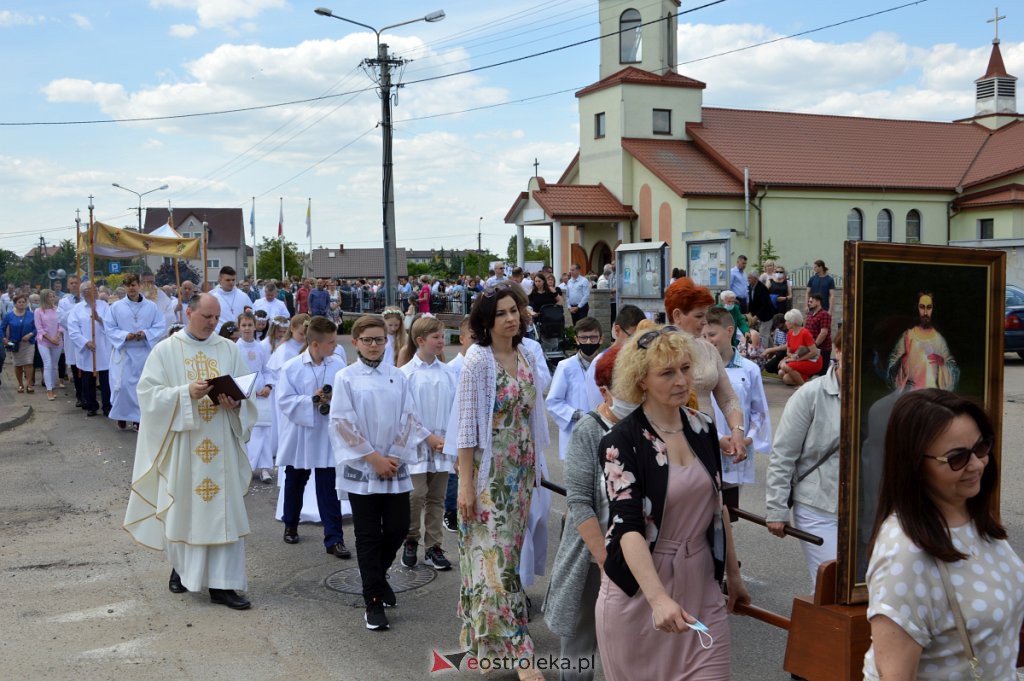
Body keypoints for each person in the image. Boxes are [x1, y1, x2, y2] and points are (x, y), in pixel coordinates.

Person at [595, 326, 749, 680]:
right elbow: (627, 527)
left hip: (701, 586)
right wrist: (658, 599)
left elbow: (716, 505)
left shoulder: (703, 426)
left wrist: (733, 575)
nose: (681, 380)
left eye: (685, 368)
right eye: (667, 372)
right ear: (641, 380)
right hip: (640, 592)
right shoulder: (621, 441)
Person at [862, 389, 1024, 680]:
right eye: (956, 458)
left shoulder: (972, 515)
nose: (976, 464)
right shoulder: (905, 554)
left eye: (982, 447)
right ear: (915, 465)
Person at [123, 293, 258, 610]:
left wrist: (237, 403)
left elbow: (246, 392)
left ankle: (223, 585)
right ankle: (182, 570)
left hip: (221, 443)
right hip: (185, 445)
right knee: (186, 509)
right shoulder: (165, 351)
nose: (213, 323)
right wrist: (186, 393)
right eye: (206, 317)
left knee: (223, 513)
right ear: (188, 312)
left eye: (216, 318)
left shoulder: (228, 349)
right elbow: (148, 396)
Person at [453, 282, 550, 679]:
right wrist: (465, 485)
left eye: (515, 310)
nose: (512, 318)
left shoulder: (526, 353)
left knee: (502, 559)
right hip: (489, 476)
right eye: (502, 314)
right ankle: (520, 653)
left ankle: (486, 645)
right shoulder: (478, 360)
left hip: (521, 472)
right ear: (486, 322)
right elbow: (466, 428)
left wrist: (539, 469)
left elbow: (533, 416)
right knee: (495, 562)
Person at [329, 315, 436, 631]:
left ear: (387, 342)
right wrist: (373, 458)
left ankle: (376, 575)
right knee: (367, 535)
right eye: (367, 340)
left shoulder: (397, 376)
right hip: (363, 467)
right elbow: (341, 422)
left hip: (394, 464)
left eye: (379, 339)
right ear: (356, 341)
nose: (374, 345)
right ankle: (373, 599)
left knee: (398, 528)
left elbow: (409, 418)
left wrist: (393, 456)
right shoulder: (346, 377)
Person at [544, 345, 628, 681]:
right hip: (595, 554)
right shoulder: (591, 428)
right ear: (606, 390)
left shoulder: (654, 426)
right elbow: (579, 501)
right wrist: (605, 558)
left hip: (642, 554)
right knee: (580, 639)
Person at [765, 335, 842, 585]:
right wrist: (776, 509)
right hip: (818, 506)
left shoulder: (873, 396)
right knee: (832, 585)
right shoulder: (811, 394)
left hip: (866, 511)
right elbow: (783, 454)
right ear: (838, 352)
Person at [277, 316, 350, 558]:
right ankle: (291, 524)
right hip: (302, 432)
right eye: (330, 342)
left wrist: (333, 399)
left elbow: (348, 396)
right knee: (295, 481)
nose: (335, 346)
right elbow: (285, 401)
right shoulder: (292, 367)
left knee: (329, 486)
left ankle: (334, 538)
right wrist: (312, 399)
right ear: (315, 344)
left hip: (326, 433)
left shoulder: (338, 365)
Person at [662, 278, 747, 461]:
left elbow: (727, 398)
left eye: (705, 316)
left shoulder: (708, 349)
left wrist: (737, 430)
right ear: (677, 315)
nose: (704, 323)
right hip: (671, 446)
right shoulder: (659, 353)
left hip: (707, 441)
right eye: (698, 316)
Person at [400, 316, 456, 571]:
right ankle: (411, 539)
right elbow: (404, 413)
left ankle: (434, 546)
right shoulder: (406, 374)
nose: (441, 342)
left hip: (443, 445)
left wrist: (451, 438)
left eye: (443, 337)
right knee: (416, 495)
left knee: (437, 497)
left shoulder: (448, 373)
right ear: (420, 340)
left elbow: (456, 407)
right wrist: (428, 437)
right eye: (436, 337)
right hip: (417, 446)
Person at [704, 307, 770, 514]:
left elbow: (758, 411)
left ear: (730, 330)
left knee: (727, 510)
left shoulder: (749, 369)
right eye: (704, 335)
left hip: (736, 450)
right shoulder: (699, 370)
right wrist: (717, 437)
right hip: (707, 445)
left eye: (712, 335)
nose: (708, 340)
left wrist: (747, 438)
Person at [104, 274, 166, 431]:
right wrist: (125, 335)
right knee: (123, 386)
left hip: (144, 352)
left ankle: (139, 419)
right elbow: (110, 328)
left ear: (139, 286)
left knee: (142, 386)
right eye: (127, 285)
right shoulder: (116, 307)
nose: (131, 288)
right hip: (125, 352)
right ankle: (122, 415)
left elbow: (160, 325)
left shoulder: (151, 306)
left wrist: (145, 333)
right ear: (124, 287)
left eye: (133, 284)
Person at [547, 317, 604, 460]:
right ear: (576, 340)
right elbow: (554, 401)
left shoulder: (608, 364)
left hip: (603, 429)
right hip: (576, 430)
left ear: (601, 339)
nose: (589, 342)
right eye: (584, 338)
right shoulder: (565, 366)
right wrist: (576, 414)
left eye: (593, 337)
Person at [887, 291, 958, 392]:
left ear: (933, 309)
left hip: (932, 396)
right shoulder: (908, 336)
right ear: (917, 308)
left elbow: (953, 372)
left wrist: (942, 363)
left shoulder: (939, 340)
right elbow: (891, 372)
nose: (925, 312)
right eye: (921, 307)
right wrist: (902, 360)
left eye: (929, 307)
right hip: (910, 395)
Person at [442, 315, 475, 533]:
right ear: (462, 339)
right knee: (454, 475)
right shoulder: (453, 368)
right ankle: (450, 511)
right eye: (473, 337)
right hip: (457, 426)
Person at [582, 304, 645, 409]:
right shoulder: (600, 363)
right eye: (633, 337)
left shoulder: (639, 359)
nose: (636, 343)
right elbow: (596, 405)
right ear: (617, 330)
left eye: (641, 338)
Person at [236, 312, 275, 484]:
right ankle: (246, 467)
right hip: (244, 394)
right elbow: (233, 372)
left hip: (261, 394)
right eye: (243, 325)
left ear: (255, 326)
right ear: (239, 327)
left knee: (264, 431)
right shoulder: (235, 348)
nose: (246, 329)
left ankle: (265, 468)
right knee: (249, 432)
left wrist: (268, 386)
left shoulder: (261, 348)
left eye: (249, 325)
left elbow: (267, 369)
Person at [68, 283, 113, 416]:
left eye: (95, 289)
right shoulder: (77, 309)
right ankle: (92, 405)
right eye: (90, 290)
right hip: (88, 348)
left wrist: (99, 319)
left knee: (106, 380)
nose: (94, 292)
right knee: (88, 379)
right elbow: (73, 329)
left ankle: (107, 406)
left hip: (103, 347)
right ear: (84, 293)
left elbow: (111, 324)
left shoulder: (104, 306)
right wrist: (85, 342)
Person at [1, 292, 37, 393]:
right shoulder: (9, 315)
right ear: (15, 303)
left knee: (29, 363)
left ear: (26, 303)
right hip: (15, 343)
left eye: (23, 302)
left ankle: (29, 384)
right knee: (18, 365)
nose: (21, 304)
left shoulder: (31, 315)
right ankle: (20, 384)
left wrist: (30, 334)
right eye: (19, 302)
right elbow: (2, 328)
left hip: (29, 343)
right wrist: (4, 338)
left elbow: (37, 329)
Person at [58, 277, 85, 406]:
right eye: (71, 283)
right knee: (76, 368)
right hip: (72, 338)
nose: (74, 285)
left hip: (86, 339)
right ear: (68, 286)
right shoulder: (64, 302)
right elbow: (61, 319)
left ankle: (87, 395)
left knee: (87, 369)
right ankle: (79, 395)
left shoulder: (86, 299)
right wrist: (76, 310)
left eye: (76, 283)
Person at [778, 309, 821, 387]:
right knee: (784, 376)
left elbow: (814, 352)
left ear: (792, 322)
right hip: (798, 360)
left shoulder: (805, 333)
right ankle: (809, 380)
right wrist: (789, 358)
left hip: (812, 361)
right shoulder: (790, 333)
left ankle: (802, 386)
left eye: (787, 321)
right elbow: (788, 352)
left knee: (786, 366)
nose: (785, 323)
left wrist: (797, 359)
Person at [34, 290, 63, 401]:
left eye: (53, 296)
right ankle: (49, 390)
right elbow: (39, 328)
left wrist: (58, 336)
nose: (53, 298)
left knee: (55, 365)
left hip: (57, 340)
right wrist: (51, 339)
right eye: (50, 297)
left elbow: (61, 324)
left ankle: (53, 387)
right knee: (48, 364)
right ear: (44, 298)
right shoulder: (38, 311)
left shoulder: (57, 309)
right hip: (44, 341)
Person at [210, 267, 250, 332]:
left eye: (233, 280)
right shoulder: (213, 297)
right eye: (228, 280)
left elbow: (251, 314)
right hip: (219, 335)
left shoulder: (243, 296)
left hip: (239, 335)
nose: (231, 282)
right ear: (220, 280)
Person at [805, 293, 833, 376]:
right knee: (811, 372)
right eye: (809, 301)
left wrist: (814, 345)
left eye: (811, 301)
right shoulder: (810, 314)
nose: (809, 303)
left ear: (818, 302)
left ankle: (830, 364)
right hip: (811, 348)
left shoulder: (824, 314)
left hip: (823, 349)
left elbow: (824, 332)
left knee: (822, 374)